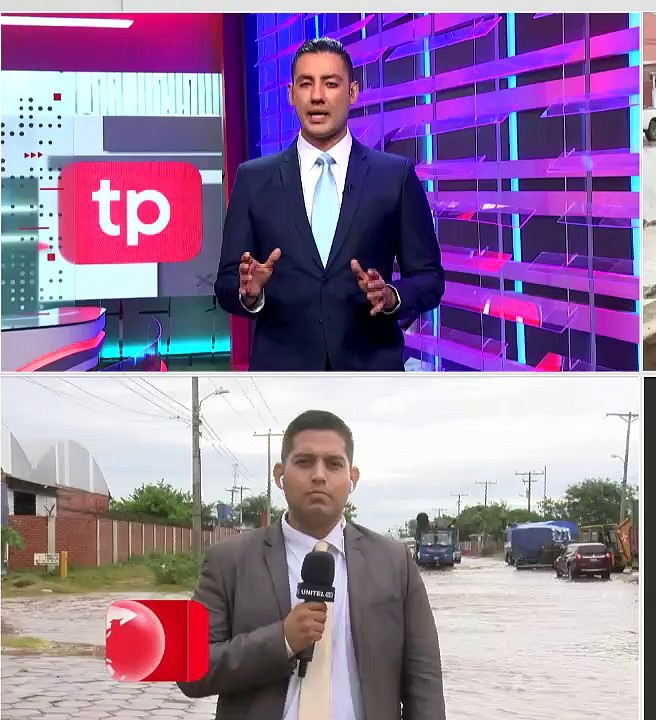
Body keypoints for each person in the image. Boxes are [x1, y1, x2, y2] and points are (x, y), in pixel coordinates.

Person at [177, 410, 445, 720]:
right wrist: (283, 640)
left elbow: (424, 680)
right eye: (304, 462)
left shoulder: (395, 562)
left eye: (334, 464)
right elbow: (188, 670)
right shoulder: (228, 560)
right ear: (279, 475)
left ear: (352, 478)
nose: (319, 475)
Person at [216, 38, 445, 371]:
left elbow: (429, 280)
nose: (317, 96)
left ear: (352, 92)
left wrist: (391, 296)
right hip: (283, 378)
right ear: (291, 94)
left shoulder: (394, 176)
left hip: (370, 375)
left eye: (331, 83)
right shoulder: (254, 179)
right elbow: (225, 284)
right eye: (306, 84)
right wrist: (250, 294)